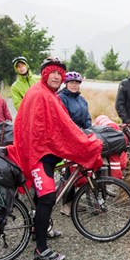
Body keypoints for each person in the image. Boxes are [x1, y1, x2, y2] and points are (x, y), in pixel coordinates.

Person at [7, 57, 103, 260]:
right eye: (53, 72)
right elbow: (62, 128)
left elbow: (61, 125)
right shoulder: (43, 95)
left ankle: (37, 230)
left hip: (41, 154)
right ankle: (41, 250)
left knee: (42, 198)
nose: (57, 76)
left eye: (60, 73)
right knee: (48, 198)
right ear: (44, 74)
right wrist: (84, 143)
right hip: (38, 156)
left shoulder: (46, 93)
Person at [57, 71, 92, 216]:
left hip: (81, 137)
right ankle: (66, 204)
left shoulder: (82, 100)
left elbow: (87, 117)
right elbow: (64, 120)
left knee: (81, 169)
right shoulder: (61, 98)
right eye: (71, 82)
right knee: (68, 171)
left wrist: (89, 129)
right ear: (66, 83)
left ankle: (77, 200)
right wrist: (77, 131)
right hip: (67, 138)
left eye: (77, 83)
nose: (74, 85)